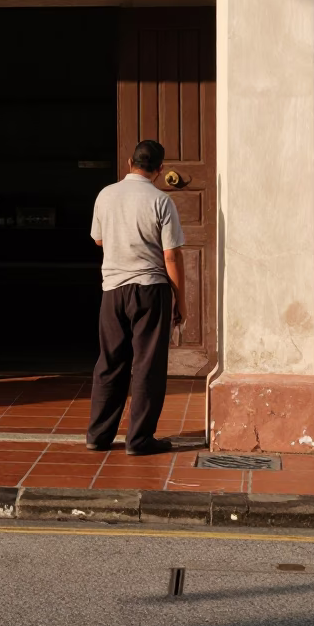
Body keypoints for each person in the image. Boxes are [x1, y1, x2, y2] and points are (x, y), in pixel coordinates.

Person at [86, 139, 186, 456]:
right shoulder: (161, 201)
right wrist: (180, 299)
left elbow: (99, 240)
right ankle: (139, 440)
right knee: (147, 365)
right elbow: (171, 256)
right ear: (159, 170)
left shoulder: (106, 195)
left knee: (110, 362)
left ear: (130, 161)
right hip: (150, 288)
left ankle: (98, 436)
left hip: (113, 290)